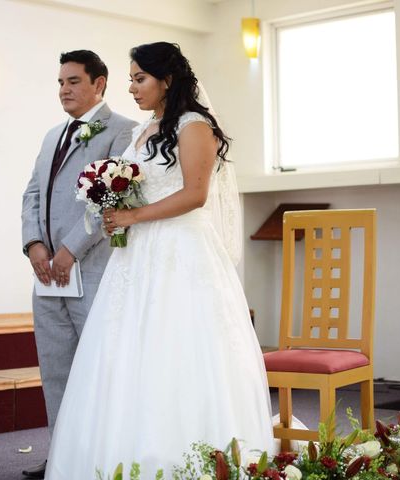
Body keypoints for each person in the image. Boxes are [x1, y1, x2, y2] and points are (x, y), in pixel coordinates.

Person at [45, 42, 275, 479]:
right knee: (127, 353)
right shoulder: (143, 130)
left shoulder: (194, 126)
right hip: (136, 257)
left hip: (181, 252)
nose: (131, 87)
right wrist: (114, 208)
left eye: (139, 78)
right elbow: (139, 184)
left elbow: (195, 194)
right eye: (130, 78)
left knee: (178, 351)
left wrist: (133, 214)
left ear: (166, 80)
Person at [21, 50, 137, 479]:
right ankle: (62, 458)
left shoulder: (122, 132)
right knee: (55, 368)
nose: (64, 90)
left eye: (73, 81)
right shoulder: (52, 135)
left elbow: (113, 198)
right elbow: (32, 193)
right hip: (47, 274)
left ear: (99, 83)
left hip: (92, 270)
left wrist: (70, 249)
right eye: (60, 83)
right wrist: (34, 244)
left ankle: (100, 460)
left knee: (98, 369)